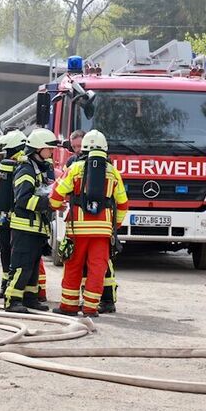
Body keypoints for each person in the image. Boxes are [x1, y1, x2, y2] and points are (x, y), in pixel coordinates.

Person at [49, 130, 128, 317]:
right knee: (97, 269)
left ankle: (68, 306)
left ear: (83, 148)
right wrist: (114, 225)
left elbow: (56, 194)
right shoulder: (113, 172)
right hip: (102, 232)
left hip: (77, 230)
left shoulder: (75, 168)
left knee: (73, 266)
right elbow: (123, 204)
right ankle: (90, 309)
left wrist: (55, 205)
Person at [4, 128, 58, 313]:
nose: (51, 152)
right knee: (22, 264)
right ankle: (12, 300)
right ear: (37, 148)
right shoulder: (26, 169)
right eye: (49, 149)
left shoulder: (37, 169)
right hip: (24, 227)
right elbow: (23, 199)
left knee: (33, 265)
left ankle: (29, 298)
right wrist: (48, 202)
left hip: (35, 227)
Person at [0, 130, 27, 299]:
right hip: (5, 217)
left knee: (19, 254)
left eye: (4, 153)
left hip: (18, 219)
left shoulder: (24, 163)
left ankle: (27, 290)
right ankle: (6, 285)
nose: (1, 158)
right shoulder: (10, 164)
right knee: (5, 250)